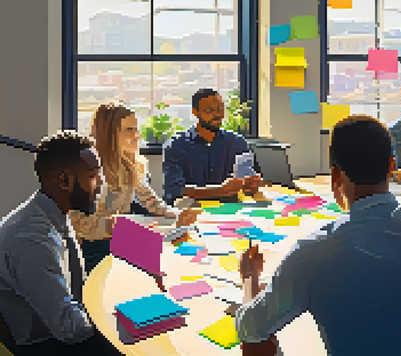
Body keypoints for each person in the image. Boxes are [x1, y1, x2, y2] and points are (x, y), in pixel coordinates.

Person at [235, 115, 401, 355]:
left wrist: (250, 279)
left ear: (336, 176)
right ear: (391, 166)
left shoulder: (313, 252)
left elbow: (250, 329)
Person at [0, 131, 121, 355]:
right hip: (46, 344)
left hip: (60, 329)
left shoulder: (52, 215)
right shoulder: (31, 240)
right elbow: (70, 329)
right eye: (93, 175)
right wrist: (119, 320)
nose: (101, 184)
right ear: (64, 181)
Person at [71, 103, 201, 273]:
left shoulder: (131, 165)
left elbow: (152, 204)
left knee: (176, 255)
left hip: (119, 240)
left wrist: (178, 216)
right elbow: (77, 223)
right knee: (165, 260)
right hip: (97, 249)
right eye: (129, 129)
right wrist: (114, 225)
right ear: (110, 135)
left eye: (136, 128)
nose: (137, 135)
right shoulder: (92, 170)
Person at [163, 88, 261, 206]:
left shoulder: (237, 142)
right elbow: (174, 191)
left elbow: (248, 180)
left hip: (232, 212)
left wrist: (251, 185)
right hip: (190, 212)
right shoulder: (176, 145)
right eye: (210, 110)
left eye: (220, 108)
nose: (217, 114)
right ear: (195, 112)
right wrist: (221, 190)